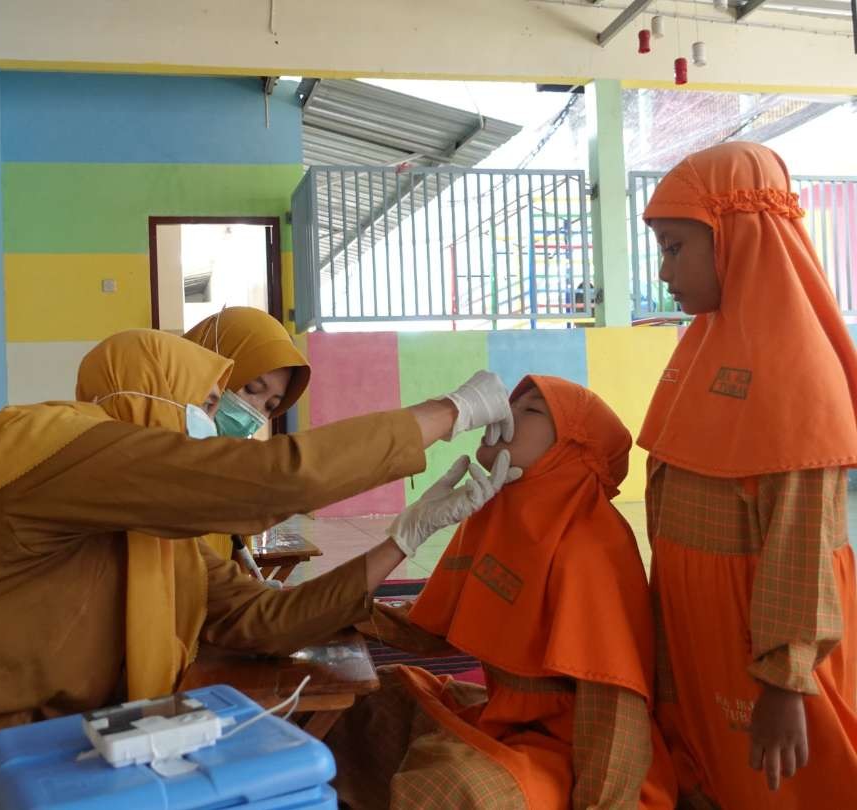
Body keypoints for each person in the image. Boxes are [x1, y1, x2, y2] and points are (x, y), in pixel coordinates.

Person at [0, 329, 518, 810]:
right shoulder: (53, 445)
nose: (230, 420)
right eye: (210, 401)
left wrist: (404, 534)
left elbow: (262, 620)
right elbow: (265, 480)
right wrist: (450, 410)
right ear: (143, 388)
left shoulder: (172, 541)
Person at [327, 376, 677, 810]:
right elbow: (435, 626)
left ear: (571, 450)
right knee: (370, 699)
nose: (507, 415)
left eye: (531, 411)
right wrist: (326, 612)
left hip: (572, 753)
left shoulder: (591, 545)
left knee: (451, 783)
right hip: (504, 720)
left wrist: (603, 804)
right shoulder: (497, 514)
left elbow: (613, 708)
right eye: (513, 403)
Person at [640, 141, 857, 808]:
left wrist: (786, 686)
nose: (664, 269)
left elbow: (798, 547)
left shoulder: (796, 368)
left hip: (766, 642)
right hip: (704, 624)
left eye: (676, 247)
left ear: (735, 235)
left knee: (793, 786)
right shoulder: (705, 344)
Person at [183, 306, 310, 559]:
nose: (254, 411)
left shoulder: (231, 472)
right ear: (208, 365)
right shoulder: (146, 448)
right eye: (252, 388)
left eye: (271, 406)